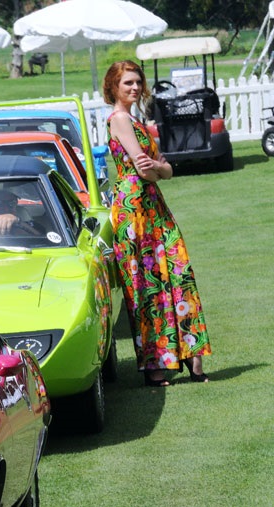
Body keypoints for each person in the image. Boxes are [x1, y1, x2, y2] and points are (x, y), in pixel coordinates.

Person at [104, 60, 212, 386]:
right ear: (113, 87)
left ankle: (192, 358)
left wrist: (159, 168)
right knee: (146, 287)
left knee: (179, 275)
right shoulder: (120, 119)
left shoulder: (136, 120)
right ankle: (154, 366)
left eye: (137, 82)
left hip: (154, 208)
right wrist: (158, 167)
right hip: (133, 211)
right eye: (127, 83)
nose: (135, 88)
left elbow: (166, 169)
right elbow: (146, 170)